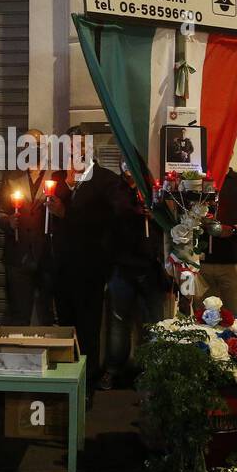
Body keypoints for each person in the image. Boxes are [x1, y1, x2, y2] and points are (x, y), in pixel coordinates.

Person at [49, 129, 122, 395]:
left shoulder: (105, 180)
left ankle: (87, 385)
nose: (71, 151)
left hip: (90, 266)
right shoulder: (58, 178)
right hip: (62, 264)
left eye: (77, 146)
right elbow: (53, 215)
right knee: (66, 325)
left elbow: (106, 221)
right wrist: (66, 188)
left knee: (88, 327)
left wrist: (66, 213)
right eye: (67, 146)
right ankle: (66, 379)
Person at [105, 163, 168, 388]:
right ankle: (114, 369)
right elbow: (110, 218)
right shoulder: (115, 188)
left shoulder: (155, 188)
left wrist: (156, 215)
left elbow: (171, 221)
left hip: (150, 267)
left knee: (153, 323)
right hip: (122, 265)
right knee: (119, 322)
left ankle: (151, 372)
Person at [0, 128, 55, 326]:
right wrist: (8, 222)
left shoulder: (57, 174)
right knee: (19, 312)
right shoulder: (12, 176)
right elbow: (0, 211)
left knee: (48, 312)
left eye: (37, 145)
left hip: (48, 252)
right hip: (18, 252)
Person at [198, 166, 237, 319]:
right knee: (203, 321)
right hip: (201, 265)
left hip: (233, 263)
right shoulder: (196, 181)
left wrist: (233, 229)